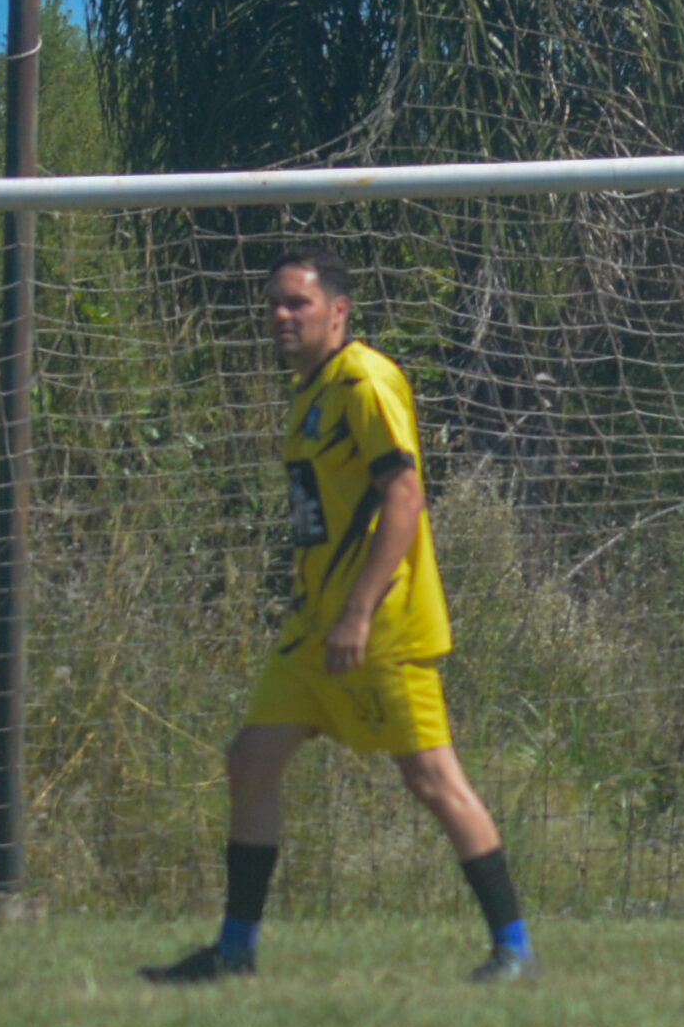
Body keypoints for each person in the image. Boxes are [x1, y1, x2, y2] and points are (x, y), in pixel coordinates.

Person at [141, 247, 540, 986]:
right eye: (273, 302)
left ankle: (515, 948)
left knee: (432, 779)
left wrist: (357, 610)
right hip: (313, 629)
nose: (281, 314)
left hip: (380, 624)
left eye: (297, 302)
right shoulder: (312, 391)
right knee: (250, 763)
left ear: (339, 311)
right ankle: (234, 952)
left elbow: (404, 498)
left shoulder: (365, 379)